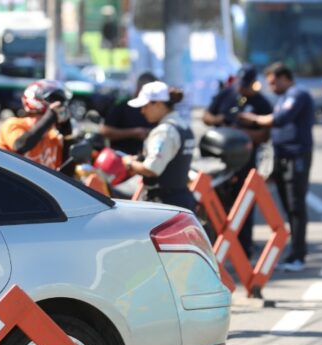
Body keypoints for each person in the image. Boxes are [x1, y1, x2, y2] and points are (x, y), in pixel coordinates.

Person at [239, 62, 314, 272]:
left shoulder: (297, 95)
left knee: (296, 207)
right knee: (288, 208)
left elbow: (280, 119)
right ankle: (293, 253)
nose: (271, 87)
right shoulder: (282, 97)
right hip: (282, 158)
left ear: (284, 78)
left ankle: (299, 254)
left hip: (295, 157)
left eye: (273, 82)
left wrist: (253, 119)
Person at [203, 64, 273, 257]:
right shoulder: (226, 95)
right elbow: (206, 116)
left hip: (245, 162)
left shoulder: (261, 103)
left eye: (245, 85)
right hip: (218, 161)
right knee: (215, 203)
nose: (241, 88)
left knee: (244, 205)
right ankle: (218, 247)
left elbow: (265, 135)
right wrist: (219, 121)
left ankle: (244, 248)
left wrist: (240, 133)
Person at [121, 81, 196, 211]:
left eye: (145, 106)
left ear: (158, 104)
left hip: (163, 204)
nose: (142, 111)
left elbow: (152, 169)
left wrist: (129, 163)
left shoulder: (164, 131)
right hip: (181, 200)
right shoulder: (183, 127)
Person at [0, 79, 76, 173]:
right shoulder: (13, 124)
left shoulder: (52, 137)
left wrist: (68, 138)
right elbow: (20, 146)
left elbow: (66, 173)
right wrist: (49, 118)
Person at [100, 72, 158, 155]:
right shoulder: (122, 105)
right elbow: (105, 131)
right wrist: (134, 133)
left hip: (144, 159)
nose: (143, 111)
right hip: (120, 157)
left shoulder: (155, 108)